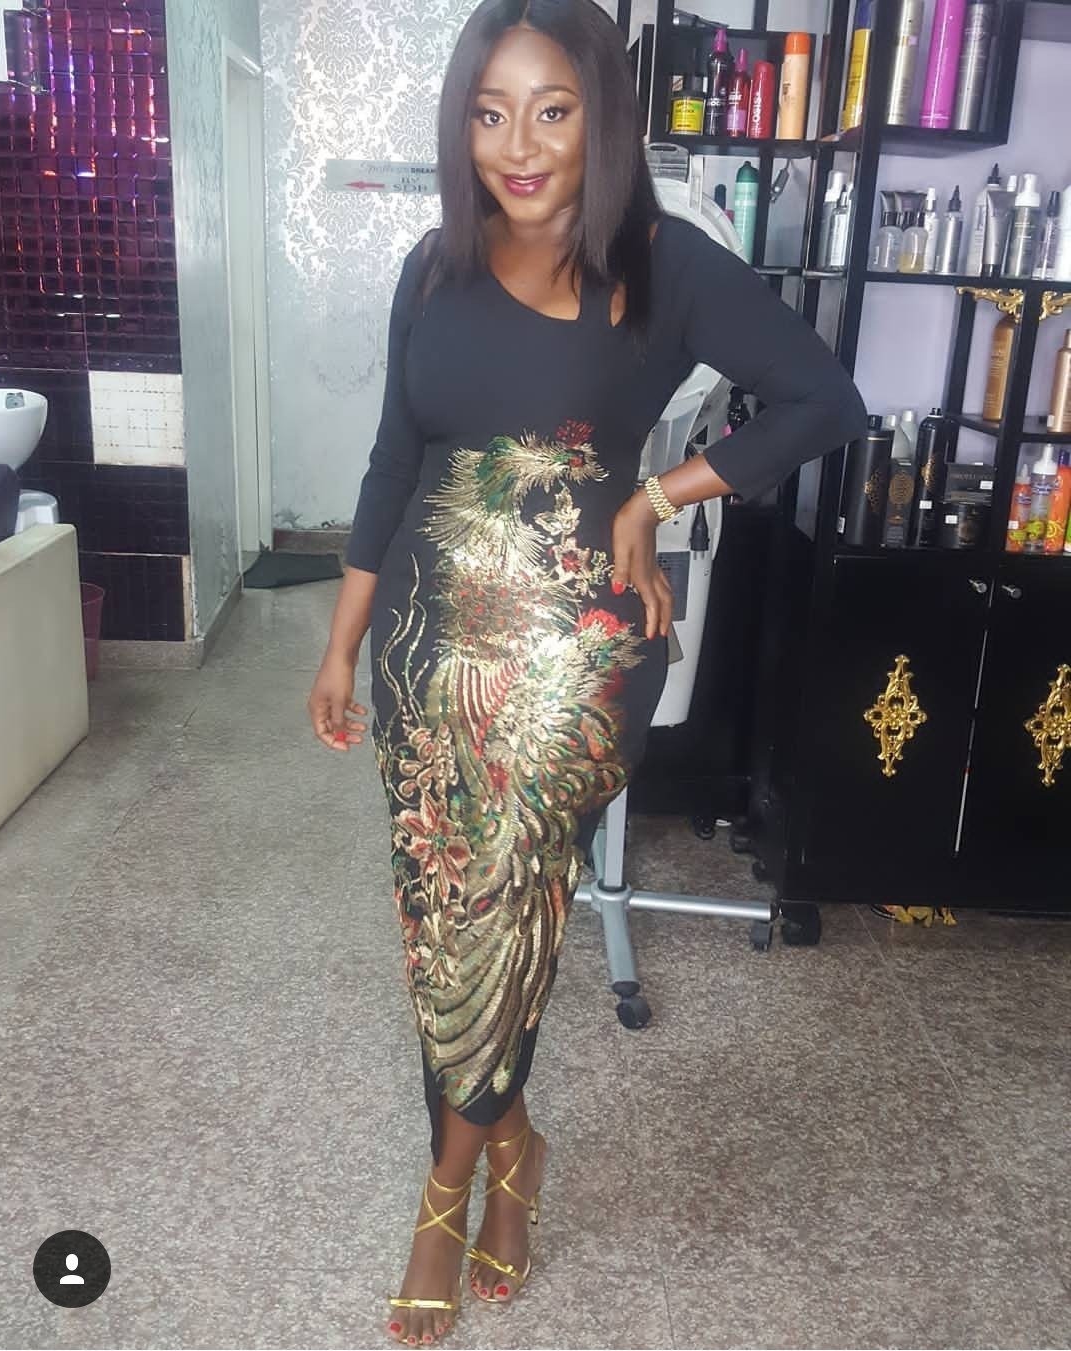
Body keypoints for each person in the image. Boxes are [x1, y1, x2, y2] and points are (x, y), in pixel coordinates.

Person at [307, 0, 868, 1343]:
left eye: (551, 110)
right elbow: (393, 462)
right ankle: (514, 1148)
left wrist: (660, 492)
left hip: (574, 663)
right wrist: (340, 643)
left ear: (600, 115)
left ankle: (445, 1196)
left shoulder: (659, 264)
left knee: (513, 907)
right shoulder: (432, 267)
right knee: (446, 918)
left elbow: (824, 400)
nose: (519, 145)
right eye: (490, 112)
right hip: (429, 655)